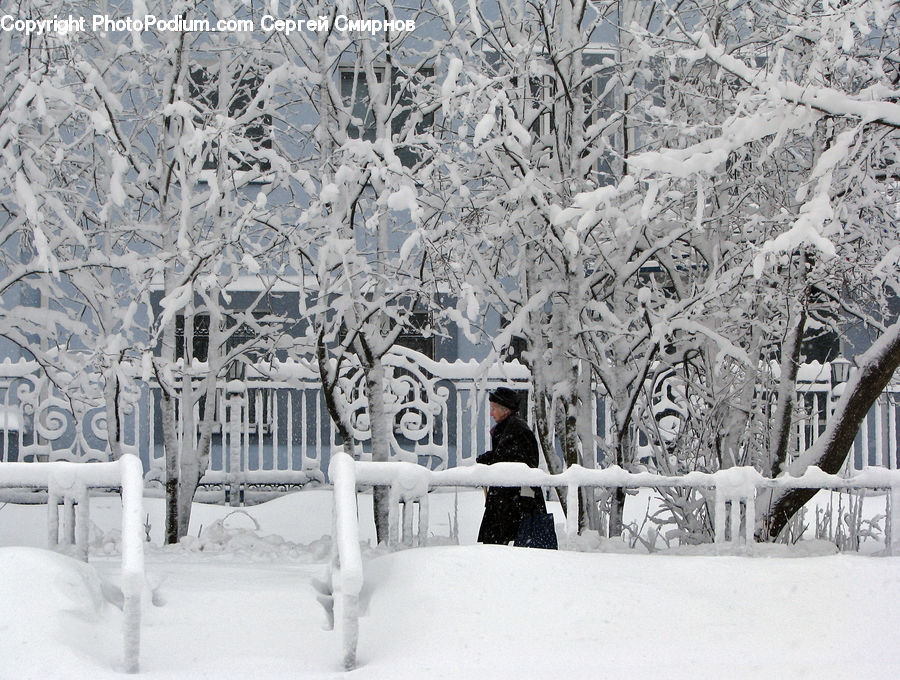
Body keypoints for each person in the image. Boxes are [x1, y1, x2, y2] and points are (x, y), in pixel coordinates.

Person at [476, 387, 547, 545]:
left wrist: (491, 460)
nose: (491, 413)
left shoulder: (516, 429)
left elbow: (518, 460)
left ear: (505, 410)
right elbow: (506, 454)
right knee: (503, 545)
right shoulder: (508, 428)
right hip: (508, 499)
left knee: (510, 546)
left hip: (514, 501)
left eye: (493, 409)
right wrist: (490, 458)